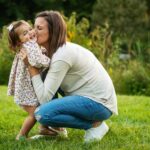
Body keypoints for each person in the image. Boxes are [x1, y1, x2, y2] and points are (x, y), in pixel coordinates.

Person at [20, 10, 118, 143]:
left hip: (99, 104)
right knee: (42, 76)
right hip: (88, 99)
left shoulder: (62, 55)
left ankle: (95, 126)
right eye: (33, 27)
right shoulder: (51, 53)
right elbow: (43, 86)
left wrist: (31, 68)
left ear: (53, 31)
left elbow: (44, 98)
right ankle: (56, 130)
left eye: (39, 28)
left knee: (41, 113)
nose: (33, 32)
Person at [7, 20, 60, 140]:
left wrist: (42, 51)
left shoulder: (29, 45)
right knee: (35, 113)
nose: (30, 33)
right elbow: (37, 61)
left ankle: (44, 128)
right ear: (18, 41)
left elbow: (34, 57)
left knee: (41, 106)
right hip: (25, 90)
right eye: (25, 33)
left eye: (30, 29)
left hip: (25, 88)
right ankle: (21, 136)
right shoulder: (29, 46)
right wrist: (49, 61)